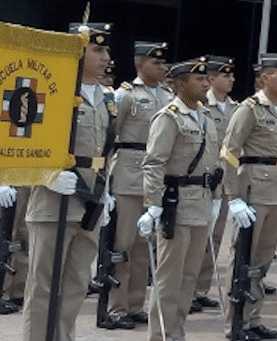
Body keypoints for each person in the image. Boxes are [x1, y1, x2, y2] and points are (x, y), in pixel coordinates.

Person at [21, 22, 113, 341]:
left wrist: (108, 190)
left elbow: (105, 151)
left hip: (90, 202)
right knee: (43, 285)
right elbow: (27, 142)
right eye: (97, 49)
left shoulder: (106, 97)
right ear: (77, 51)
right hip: (53, 200)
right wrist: (46, 174)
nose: (105, 57)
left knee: (76, 284)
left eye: (106, 50)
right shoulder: (52, 89)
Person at [138, 57, 222, 341]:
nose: (205, 83)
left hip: (200, 201)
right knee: (169, 278)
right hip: (176, 202)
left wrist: (216, 198)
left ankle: (177, 332)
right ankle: (160, 335)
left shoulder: (206, 117)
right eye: (199, 79)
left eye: (206, 78)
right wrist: (153, 204)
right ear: (181, 84)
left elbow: (212, 162)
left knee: (189, 276)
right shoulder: (168, 117)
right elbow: (154, 163)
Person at [220, 52, 277, 340]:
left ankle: (253, 318)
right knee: (243, 257)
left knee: (263, 260)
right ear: (265, 78)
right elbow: (229, 152)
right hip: (253, 189)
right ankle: (234, 322)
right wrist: (233, 196)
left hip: (276, 192)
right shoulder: (249, 109)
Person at [106, 41, 174, 329]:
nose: (161, 67)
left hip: (156, 178)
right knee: (123, 244)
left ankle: (135, 304)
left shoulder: (170, 96)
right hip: (129, 175)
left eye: (162, 63)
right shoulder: (125, 96)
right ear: (139, 64)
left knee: (145, 247)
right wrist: (105, 179)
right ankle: (116, 307)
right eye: (155, 62)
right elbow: (110, 137)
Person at [192, 57, 237, 312]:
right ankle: (187, 293)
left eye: (231, 75)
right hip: (201, 178)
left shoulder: (234, 107)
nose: (230, 79)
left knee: (216, 237)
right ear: (210, 79)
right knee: (197, 237)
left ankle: (201, 289)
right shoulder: (200, 105)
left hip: (223, 180)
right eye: (224, 75)